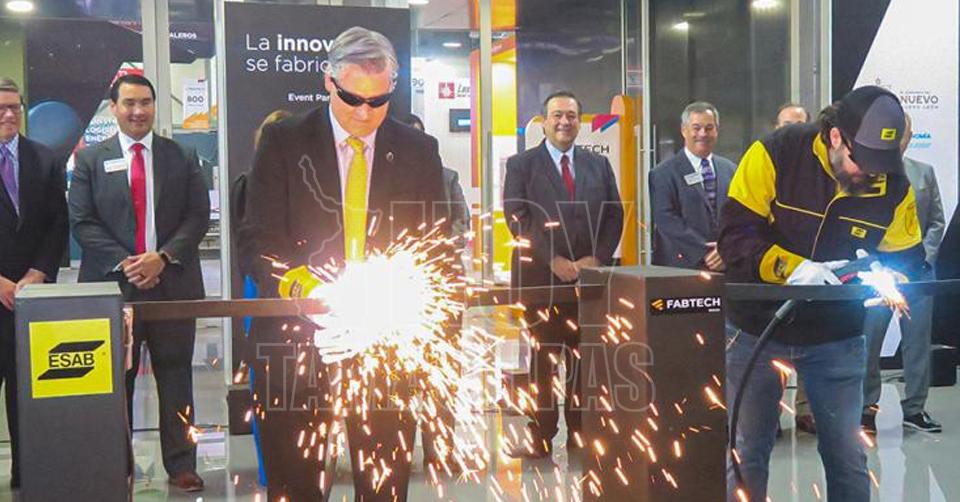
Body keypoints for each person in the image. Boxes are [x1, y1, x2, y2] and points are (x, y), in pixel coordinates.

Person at [238, 26, 447, 501]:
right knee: (296, 485)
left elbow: (434, 246)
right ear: (328, 81)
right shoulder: (283, 141)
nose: (364, 113)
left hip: (385, 346)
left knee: (383, 486)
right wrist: (302, 288)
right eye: (352, 98)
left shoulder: (418, 151)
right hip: (296, 343)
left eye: (378, 101)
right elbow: (257, 238)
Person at [719, 86, 925, 502]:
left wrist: (886, 272)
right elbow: (734, 237)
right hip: (757, 327)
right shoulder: (775, 153)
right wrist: (792, 268)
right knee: (748, 450)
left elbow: (909, 258)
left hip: (836, 334)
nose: (868, 175)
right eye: (860, 162)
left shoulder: (893, 184)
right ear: (836, 137)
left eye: (879, 165)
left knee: (848, 454)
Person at [69, 74, 210, 493]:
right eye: (129, 103)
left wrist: (161, 258)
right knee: (116, 382)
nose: (138, 111)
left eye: (145, 102)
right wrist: (127, 263)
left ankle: (182, 464)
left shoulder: (181, 155)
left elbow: (197, 216)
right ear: (113, 107)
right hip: (113, 288)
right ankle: (117, 464)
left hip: (173, 284)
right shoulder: (90, 160)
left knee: (177, 377)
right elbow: (82, 221)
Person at [502, 90, 623, 459]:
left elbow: (614, 214)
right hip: (539, 280)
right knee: (542, 361)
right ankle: (540, 434)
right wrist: (551, 258)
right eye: (557, 115)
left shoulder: (598, 165)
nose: (564, 122)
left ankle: (581, 434)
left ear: (579, 121)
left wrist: (596, 258)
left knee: (584, 362)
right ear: (544, 121)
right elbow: (516, 216)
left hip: (588, 281)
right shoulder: (522, 165)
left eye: (571, 115)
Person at [0, 77, 69, 489]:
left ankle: (24, 475)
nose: (9, 115)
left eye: (15, 107)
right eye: (1, 108)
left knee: (25, 392)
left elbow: (58, 223)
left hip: (30, 299)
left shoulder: (44, 159)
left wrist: (38, 272)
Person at [861, 113, 945, 434]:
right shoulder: (866, 174)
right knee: (870, 340)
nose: (898, 139)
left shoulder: (924, 172)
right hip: (879, 273)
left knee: (917, 342)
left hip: (919, 273)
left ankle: (915, 408)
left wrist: (925, 257)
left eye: (904, 133)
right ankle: (866, 408)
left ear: (910, 136)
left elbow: (936, 221)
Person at [650, 101, 736, 271]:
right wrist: (705, 252)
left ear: (717, 130)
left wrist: (726, 249)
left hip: (726, 264)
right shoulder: (662, 173)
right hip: (681, 269)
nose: (703, 134)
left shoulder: (731, 170)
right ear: (684, 130)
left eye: (709, 128)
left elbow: (739, 216)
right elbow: (667, 220)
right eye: (696, 128)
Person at [774, 102, 817, 435]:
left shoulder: (819, 170)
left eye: (800, 124)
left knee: (808, 339)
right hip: (772, 270)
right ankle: (771, 412)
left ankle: (806, 410)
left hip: (810, 269)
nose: (793, 131)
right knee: (772, 344)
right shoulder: (763, 164)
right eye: (787, 124)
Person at [399, 113, 470, 245]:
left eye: (417, 136)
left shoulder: (447, 178)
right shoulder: (387, 177)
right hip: (395, 253)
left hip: (440, 251)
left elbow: (461, 219)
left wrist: (450, 248)